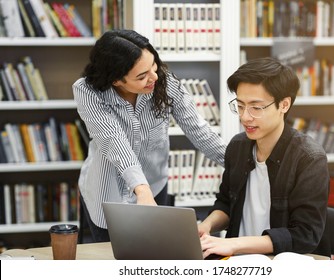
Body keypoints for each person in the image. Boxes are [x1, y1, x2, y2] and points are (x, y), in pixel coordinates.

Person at [72, 29, 226, 242]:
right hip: (107, 193)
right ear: (116, 80)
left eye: (153, 66)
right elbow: (114, 141)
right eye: (141, 76)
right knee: (111, 259)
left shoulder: (163, 81)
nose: (153, 77)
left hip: (154, 187)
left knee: (155, 254)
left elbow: (198, 129)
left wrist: (239, 163)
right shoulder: (87, 91)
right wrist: (140, 190)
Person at [198, 57, 330, 258]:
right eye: (240, 106)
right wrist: (206, 226)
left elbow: (304, 235)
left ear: (284, 105)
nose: (245, 116)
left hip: (278, 263)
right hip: (234, 260)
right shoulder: (238, 147)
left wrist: (235, 244)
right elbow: (226, 203)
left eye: (256, 107)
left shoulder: (308, 159)